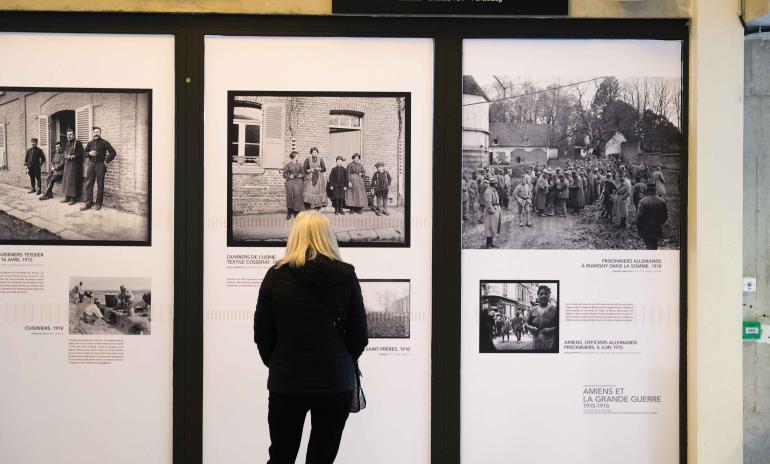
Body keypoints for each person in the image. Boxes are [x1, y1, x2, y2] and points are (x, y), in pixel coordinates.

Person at [254, 210, 368, 464]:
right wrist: (339, 358)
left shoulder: (276, 276)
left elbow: (262, 333)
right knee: (322, 457)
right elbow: (359, 335)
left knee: (281, 455)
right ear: (328, 236)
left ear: (295, 236)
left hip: (288, 380)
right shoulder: (346, 275)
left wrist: (279, 362)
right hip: (335, 380)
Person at [81, 127, 117, 211]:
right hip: (91, 165)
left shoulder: (105, 142)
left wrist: (106, 160)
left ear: (100, 133)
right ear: (92, 134)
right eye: (94, 132)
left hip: (100, 165)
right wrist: (89, 153)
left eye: (97, 132)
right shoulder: (90, 143)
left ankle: (98, 204)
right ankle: (88, 203)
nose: (96, 134)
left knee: (100, 184)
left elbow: (113, 152)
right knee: (89, 183)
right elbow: (83, 154)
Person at [524, 285, 558, 350]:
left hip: (551, 344)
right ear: (538, 295)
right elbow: (526, 324)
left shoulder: (555, 310)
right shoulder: (533, 310)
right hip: (536, 344)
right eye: (541, 294)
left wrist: (550, 329)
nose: (543, 296)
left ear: (549, 295)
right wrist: (531, 328)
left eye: (546, 294)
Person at [636, 182, 669, 250]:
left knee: (649, 246)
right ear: (655, 190)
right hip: (657, 228)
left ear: (647, 191)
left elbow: (639, 217)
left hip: (646, 229)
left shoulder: (643, 201)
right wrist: (659, 223)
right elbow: (665, 216)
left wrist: (639, 228)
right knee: (654, 245)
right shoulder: (662, 201)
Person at [62, 129, 84, 204]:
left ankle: (73, 198)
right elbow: (65, 152)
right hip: (67, 164)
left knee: (72, 181)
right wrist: (65, 155)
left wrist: (72, 156)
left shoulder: (78, 143)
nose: (69, 136)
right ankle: (66, 196)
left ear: (74, 135)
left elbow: (81, 154)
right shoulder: (67, 143)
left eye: (70, 135)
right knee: (66, 181)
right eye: (68, 135)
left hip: (74, 165)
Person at [283, 151, 305, 219]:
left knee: (297, 197)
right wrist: (289, 176)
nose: (298, 157)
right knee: (290, 197)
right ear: (294, 156)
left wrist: (301, 175)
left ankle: (296, 212)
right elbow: (284, 174)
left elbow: (304, 173)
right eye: (297, 155)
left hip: (298, 182)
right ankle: (289, 212)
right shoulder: (288, 165)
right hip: (290, 182)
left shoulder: (300, 165)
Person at [482, 177, 501, 248]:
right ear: (494, 184)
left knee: (493, 227)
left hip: (494, 210)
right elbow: (488, 204)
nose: (497, 184)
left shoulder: (493, 190)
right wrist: (494, 211)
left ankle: (491, 243)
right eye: (496, 183)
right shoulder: (489, 192)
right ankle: (488, 245)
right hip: (490, 213)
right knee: (489, 228)